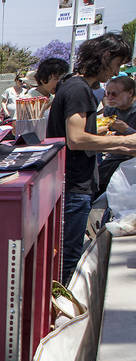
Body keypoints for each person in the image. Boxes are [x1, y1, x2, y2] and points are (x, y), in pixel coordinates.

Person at [46, 33, 136, 283]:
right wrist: (125, 141)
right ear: (105, 57)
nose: (115, 72)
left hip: (73, 184)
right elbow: (76, 138)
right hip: (74, 186)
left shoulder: (73, 85)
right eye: (117, 65)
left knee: (67, 253)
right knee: (69, 257)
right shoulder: (79, 89)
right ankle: (59, 316)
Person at [97, 75, 136, 194]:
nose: (109, 97)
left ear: (130, 93)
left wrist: (126, 129)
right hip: (113, 159)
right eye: (107, 94)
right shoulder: (110, 110)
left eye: (114, 94)